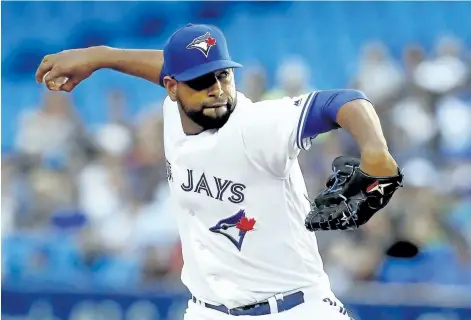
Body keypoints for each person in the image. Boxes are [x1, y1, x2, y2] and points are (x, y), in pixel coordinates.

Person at [36, 23, 399, 320]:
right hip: (208, 311)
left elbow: (344, 101)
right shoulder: (172, 112)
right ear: (171, 88)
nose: (217, 91)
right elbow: (166, 66)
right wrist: (100, 57)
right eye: (202, 81)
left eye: (223, 76)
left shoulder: (255, 124)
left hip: (293, 309)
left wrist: (376, 155)